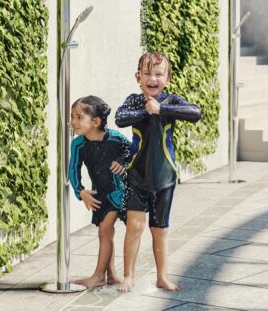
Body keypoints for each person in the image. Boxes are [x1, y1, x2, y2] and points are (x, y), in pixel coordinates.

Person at [115, 51, 201, 292]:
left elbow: (195, 113)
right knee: (134, 227)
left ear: (168, 78)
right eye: (147, 73)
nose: (152, 78)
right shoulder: (134, 101)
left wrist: (161, 110)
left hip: (164, 177)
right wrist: (147, 111)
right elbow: (120, 118)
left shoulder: (171, 101)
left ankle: (162, 277)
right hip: (137, 175)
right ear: (138, 77)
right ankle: (129, 276)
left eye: (158, 74)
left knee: (160, 229)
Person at [69, 95, 131, 288]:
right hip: (99, 193)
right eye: (72, 117)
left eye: (79, 117)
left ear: (95, 121)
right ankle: (111, 274)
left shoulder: (115, 138)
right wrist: (81, 192)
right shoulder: (78, 144)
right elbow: (73, 170)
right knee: (106, 233)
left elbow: (132, 150)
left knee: (105, 231)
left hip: (119, 192)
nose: (73, 122)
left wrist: (122, 162)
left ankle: (97, 276)